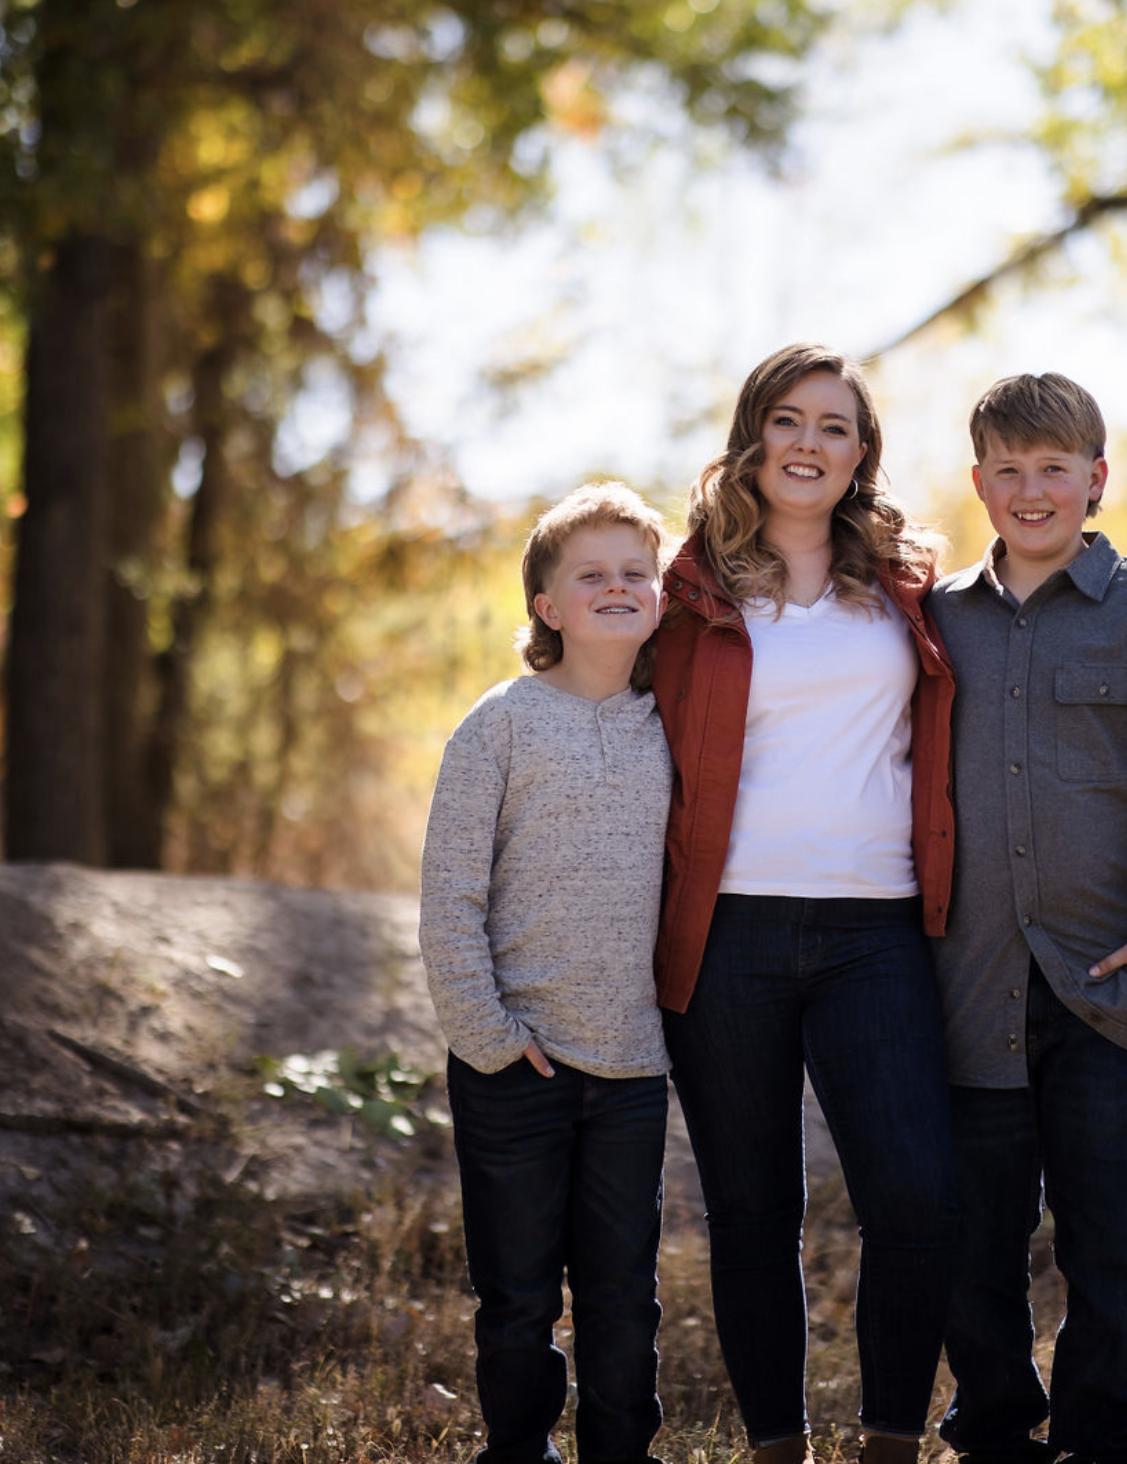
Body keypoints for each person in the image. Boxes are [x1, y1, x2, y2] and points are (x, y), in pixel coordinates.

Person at [927, 374, 1127, 1464]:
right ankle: (994, 1431)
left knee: (1112, 1237)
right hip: (969, 984)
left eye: (1053, 470)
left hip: (1106, 986)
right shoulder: (936, 623)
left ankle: (1105, 1438)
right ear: (980, 483)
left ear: (1095, 479)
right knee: (977, 1238)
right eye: (1008, 472)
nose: (1031, 491)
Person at [652, 343, 960, 1464]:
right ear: (753, 437)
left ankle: (889, 1445)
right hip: (725, 932)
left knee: (919, 1197)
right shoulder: (686, 593)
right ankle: (778, 1448)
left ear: (861, 454)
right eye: (789, 420)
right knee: (750, 1214)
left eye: (835, 427)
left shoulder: (908, 592)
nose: (809, 444)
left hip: (874, 930)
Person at [419, 482, 675, 1464]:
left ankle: (622, 1451)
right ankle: (517, 1451)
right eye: (592, 574)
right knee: (519, 1291)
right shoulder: (502, 726)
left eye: (636, 573)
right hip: (512, 1062)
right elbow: (450, 898)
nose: (618, 587)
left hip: (631, 1067)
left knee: (622, 1291)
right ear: (547, 605)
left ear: (658, 596)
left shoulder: (672, 726)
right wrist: (487, 1036)